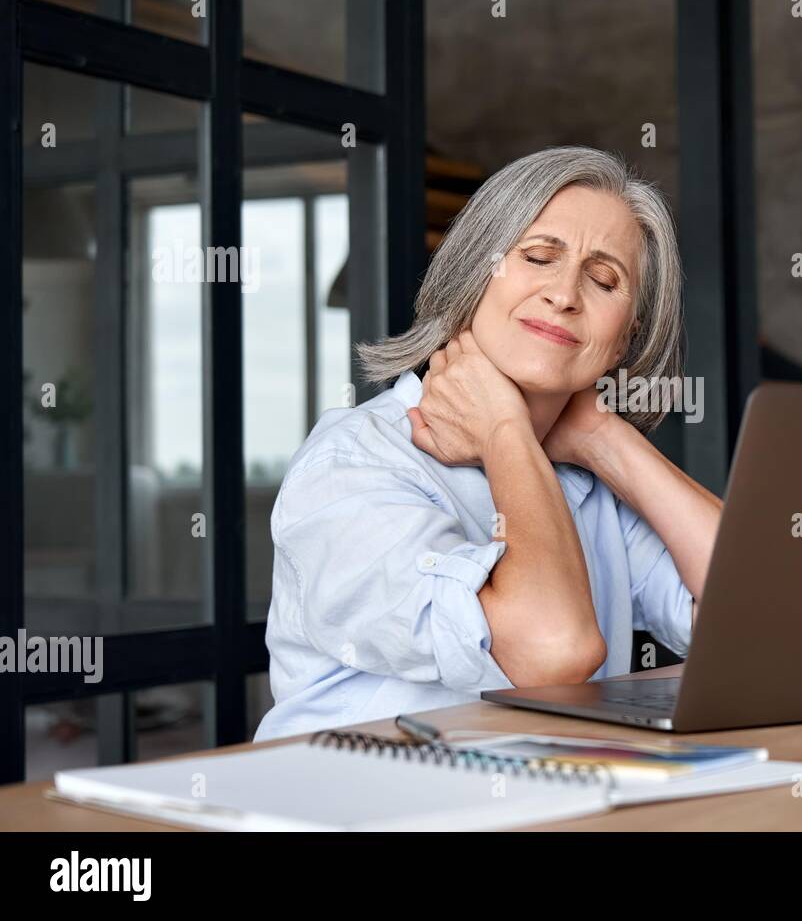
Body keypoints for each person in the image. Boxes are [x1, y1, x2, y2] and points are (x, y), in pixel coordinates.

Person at [254, 146, 722, 740]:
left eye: (605, 280)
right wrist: (505, 429)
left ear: (629, 334)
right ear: (475, 271)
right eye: (537, 257)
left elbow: (772, 620)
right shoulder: (355, 463)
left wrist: (609, 440)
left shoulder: (588, 479)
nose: (565, 294)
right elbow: (552, 649)